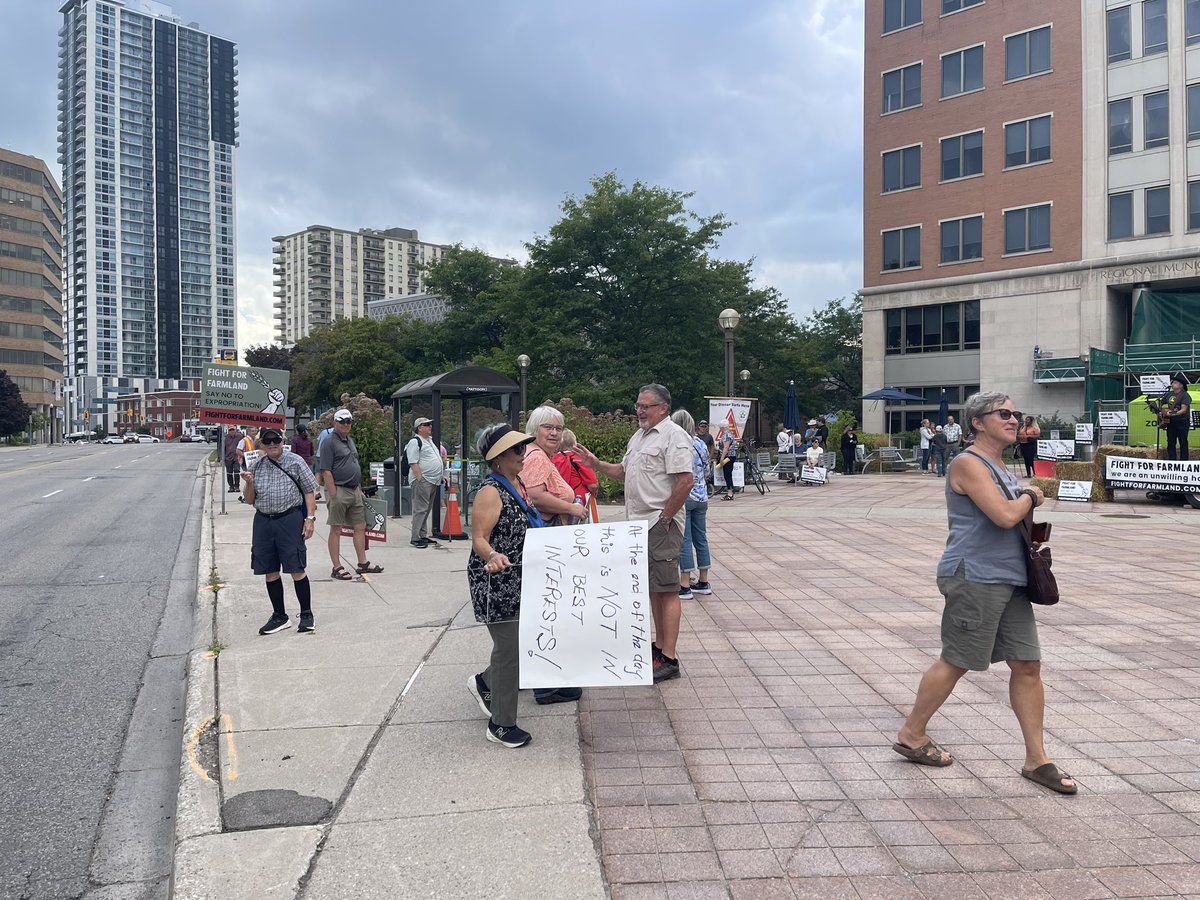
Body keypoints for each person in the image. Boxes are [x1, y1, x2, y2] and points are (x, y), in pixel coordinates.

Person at [894, 392, 1076, 795]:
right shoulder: (967, 463)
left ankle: (1037, 759)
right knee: (958, 660)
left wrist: (1024, 494)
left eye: (1016, 414)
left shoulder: (1000, 464)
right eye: (1005, 414)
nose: (1014, 420)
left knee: (1028, 664)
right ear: (978, 421)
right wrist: (1032, 494)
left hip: (1009, 577)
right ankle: (912, 734)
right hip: (975, 576)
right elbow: (1004, 515)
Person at [573, 384, 693, 683]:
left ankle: (670, 658)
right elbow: (623, 471)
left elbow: (686, 481)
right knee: (654, 589)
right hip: (638, 524)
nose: (639, 410)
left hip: (658, 524)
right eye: (638, 405)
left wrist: (665, 518)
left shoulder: (673, 436)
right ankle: (659, 646)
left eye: (646, 406)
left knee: (667, 590)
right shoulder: (639, 436)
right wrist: (595, 463)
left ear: (663, 408)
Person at [465, 424, 539, 748]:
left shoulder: (516, 484)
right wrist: (493, 555)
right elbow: (479, 538)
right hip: (496, 582)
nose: (524, 455)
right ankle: (501, 724)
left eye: (524, 448)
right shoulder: (490, 492)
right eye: (518, 450)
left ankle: (484, 683)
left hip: (520, 578)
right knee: (509, 651)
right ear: (499, 457)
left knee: (519, 646)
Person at [522, 405, 588, 705]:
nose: (554, 432)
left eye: (558, 428)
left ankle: (532, 676)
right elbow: (535, 495)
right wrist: (572, 507)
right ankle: (545, 686)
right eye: (548, 427)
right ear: (535, 429)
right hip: (547, 541)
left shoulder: (537, 455)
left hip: (545, 540)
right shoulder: (536, 456)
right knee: (547, 610)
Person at [240, 426, 320, 635]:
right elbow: (250, 499)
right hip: (264, 521)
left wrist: (309, 519)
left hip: (289, 519)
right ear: (262, 445)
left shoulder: (295, 461)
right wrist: (249, 483)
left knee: (296, 567)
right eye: (268, 441)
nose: (273, 444)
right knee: (269, 569)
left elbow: (309, 491)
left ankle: (306, 614)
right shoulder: (256, 466)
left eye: (276, 440)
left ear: (282, 441)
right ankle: (279, 616)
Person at [320, 408, 383, 579]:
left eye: (349, 421)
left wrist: (359, 487)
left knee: (360, 526)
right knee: (336, 529)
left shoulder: (349, 440)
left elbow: (354, 463)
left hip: (354, 489)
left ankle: (362, 563)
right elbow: (326, 470)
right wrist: (333, 494)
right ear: (334, 422)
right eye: (342, 421)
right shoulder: (329, 442)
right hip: (339, 489)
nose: (346, 424)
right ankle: (337, 566)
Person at [672, 410, 711, 600]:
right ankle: (703, 581)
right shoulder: (701, 443)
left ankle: (685, 583)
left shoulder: (679, 444)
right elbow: (707, 469)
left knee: (684, 540)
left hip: (685, 496)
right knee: (701, 538)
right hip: (702, 495)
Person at [405, 417, 446, 548]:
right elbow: (412, 461)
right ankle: (415, 537)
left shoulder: (429, 441)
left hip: (433, 480)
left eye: (430, 424)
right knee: (420, 509)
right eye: (426, 425)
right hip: (423, 480)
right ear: (419, 427)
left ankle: (422, 535)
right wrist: (420, 478)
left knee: (426, 509)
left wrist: (440, 475)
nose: (430, 427)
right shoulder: (415, 441)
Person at [554, 429, 599, 508]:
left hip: (558, 501)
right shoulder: (578, 459)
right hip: (579, 501)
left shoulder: (552, 460)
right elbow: (593, 485)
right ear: (574, 443)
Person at [1162, 373, 1192, 461]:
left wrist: (1173, 414)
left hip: (1182, 421)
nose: (1172, 384)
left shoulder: (1185, 395)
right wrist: (1162, 412)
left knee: (1183, 442)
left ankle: (1184, 461)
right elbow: (1161, 403)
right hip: (1171, 422)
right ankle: (1172, 460)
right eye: (1173, 382)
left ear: (1181, 385)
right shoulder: (1168, 394)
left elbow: (1184, 409)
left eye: (1175, 382)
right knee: (1171, 442)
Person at [716, 427, 738, 501]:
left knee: (727, 474)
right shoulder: (731, 434)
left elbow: (726, 447)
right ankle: (730, 491)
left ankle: (730, 493)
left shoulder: (726, 435)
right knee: (728, 474)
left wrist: (722, 458)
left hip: (727, 457)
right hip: (732, 455)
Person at [222, 424, 242, 493]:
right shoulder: (225, 438)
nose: (232, 431)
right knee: (229, 473)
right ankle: (231, 487)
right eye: (230, 430)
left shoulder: (239, 436)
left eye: (233, 430)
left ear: (235, 430)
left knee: (237, 471)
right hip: (228, 458)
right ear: (228, 431)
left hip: (237, 457)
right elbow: (223, 448)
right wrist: (222, 457)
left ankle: (237, 486)